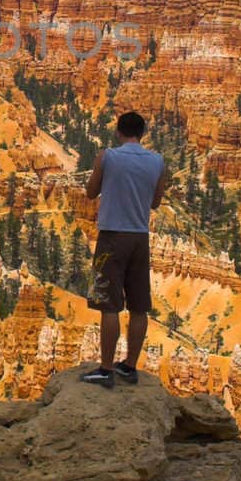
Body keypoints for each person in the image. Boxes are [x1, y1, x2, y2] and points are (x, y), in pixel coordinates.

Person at [80, 111, 167, 388]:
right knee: (139, 306)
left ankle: (106, 370)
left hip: (112, 236)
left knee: (109, 305)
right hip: (140, 237)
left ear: (118, 131)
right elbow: (155, 202)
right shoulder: (157, 161)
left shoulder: (108, 157)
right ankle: (130, 367)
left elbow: (90, 192)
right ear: (142, 133)